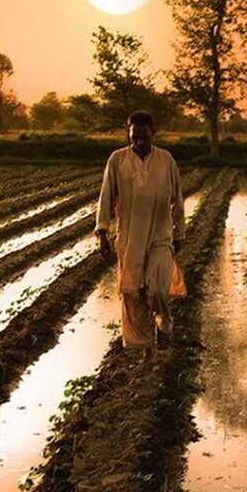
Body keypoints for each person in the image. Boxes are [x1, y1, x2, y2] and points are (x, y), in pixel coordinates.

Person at [95, 110, 185, 355]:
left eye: (144, 135)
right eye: (135, 135)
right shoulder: (117, 160)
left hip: (160, 235)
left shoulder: (166, 160)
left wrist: (180, 234)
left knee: (157, 288)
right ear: (129, 134)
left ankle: (164, 327)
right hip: (130, 237)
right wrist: (102, 232)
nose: (140, 140)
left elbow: (177, 198)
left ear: (153, 134)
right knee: (135, 293)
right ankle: (146, 347)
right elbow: (105, 197)